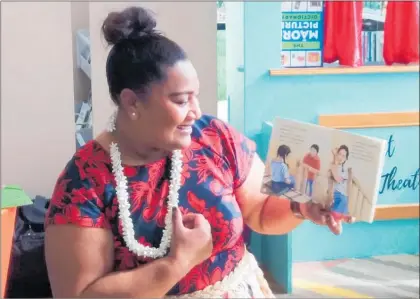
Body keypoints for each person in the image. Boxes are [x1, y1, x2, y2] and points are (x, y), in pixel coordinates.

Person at [44, 6, 353, 298]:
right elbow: (78, 294)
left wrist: (300, 208)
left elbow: (260, 211)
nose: (195, 112)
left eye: (196, 96)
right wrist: (177, 263)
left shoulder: (215, 137)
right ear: (131, 103)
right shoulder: (84, 182)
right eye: (181, 101)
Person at [327, 145, 353, 221]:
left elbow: (349, 185)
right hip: (335, 195)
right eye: (339, 154)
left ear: (346, 158)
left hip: (343, 197)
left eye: (343, 156)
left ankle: (341, 216)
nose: (341, 157)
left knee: (342, 213)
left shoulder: (348, 169)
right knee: (336, 215)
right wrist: (335, 155)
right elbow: (337, 179)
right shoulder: (333, 165)